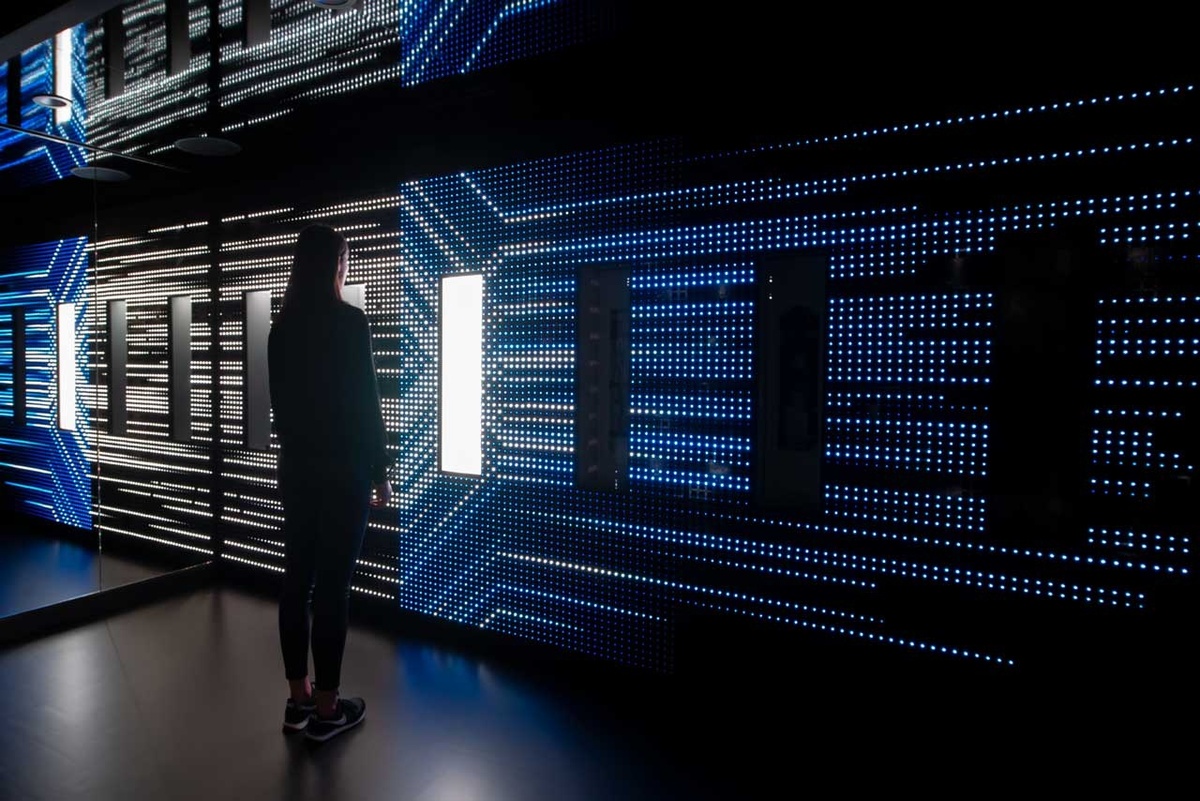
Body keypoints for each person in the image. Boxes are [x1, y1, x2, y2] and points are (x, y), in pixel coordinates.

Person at [268, 223, 392, 742]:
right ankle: (327, 708)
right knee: (334, 588)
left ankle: (298, 699)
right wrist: (380, 471)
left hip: (297, 471)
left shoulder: (282, 327)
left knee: (297, 582)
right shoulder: (350, 323)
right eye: (344, 259)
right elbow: (366, 406)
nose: (347, 267)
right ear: (333, 265)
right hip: (344, 472)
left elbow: (280, 412)